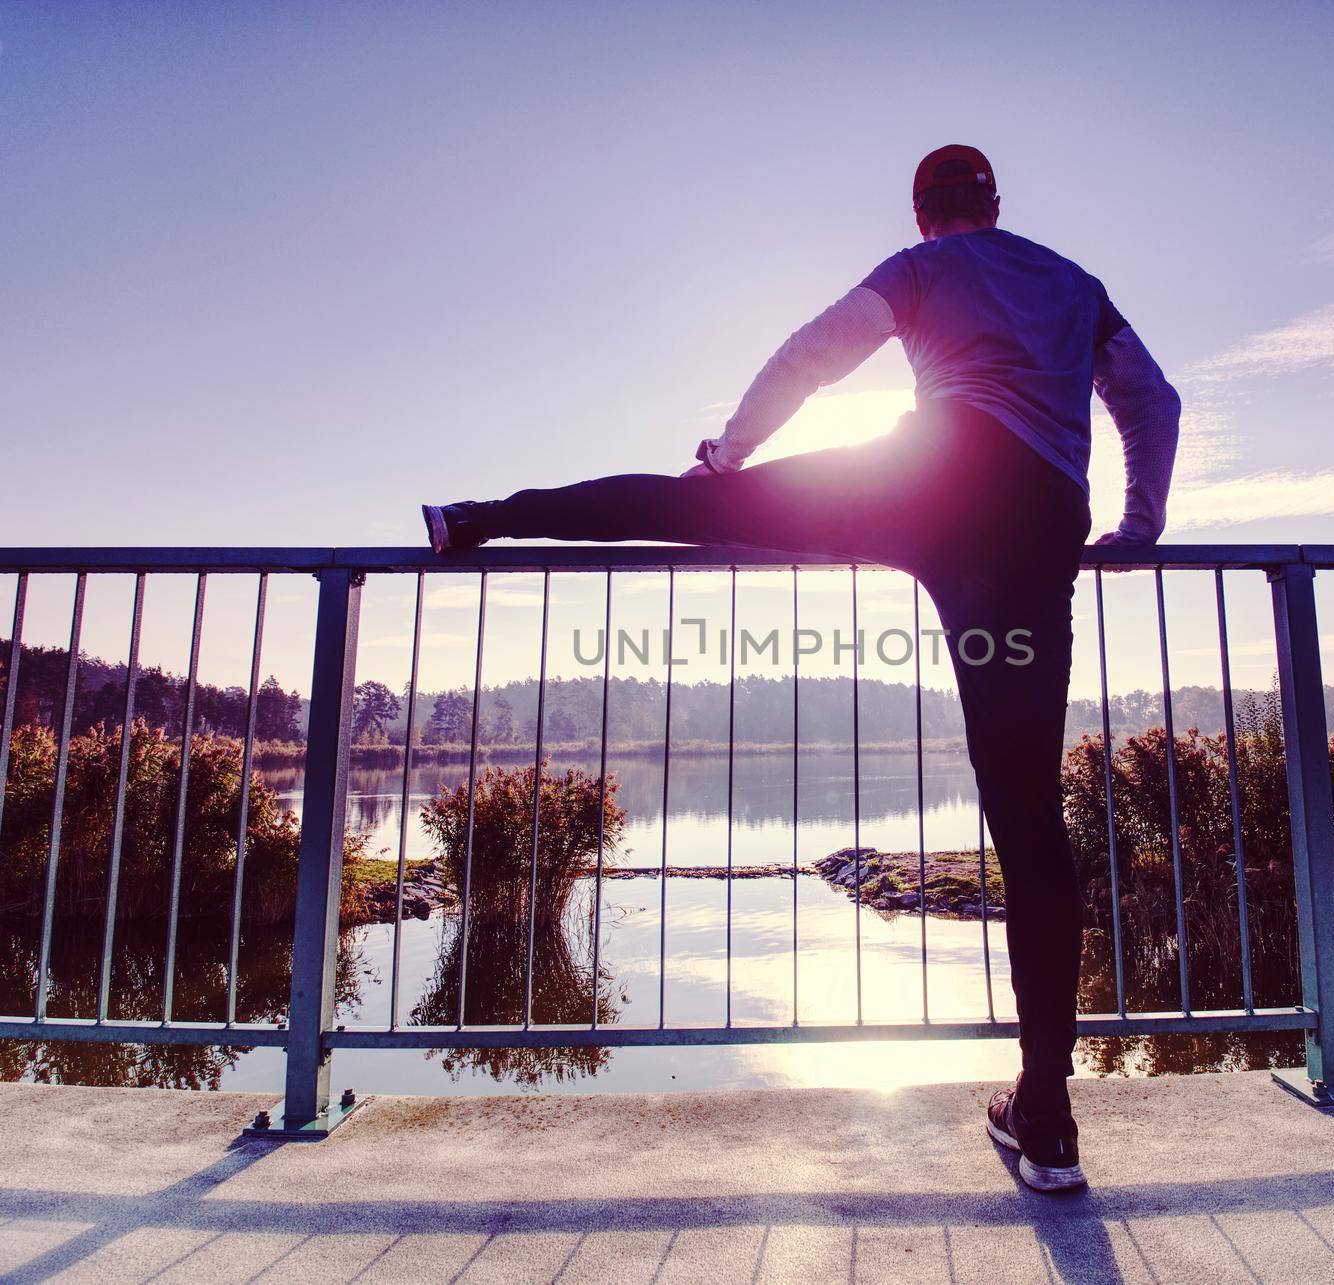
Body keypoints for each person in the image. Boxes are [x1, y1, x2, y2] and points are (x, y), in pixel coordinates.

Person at [422, 144, 1180, 1193]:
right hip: (1035, 532)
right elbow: (1150, 396)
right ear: (995, 205)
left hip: (927, 486)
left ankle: (482, 519)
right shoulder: (1068, 280)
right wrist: (1140, 522)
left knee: (694, 511)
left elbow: (814, 354)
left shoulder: (920, 272)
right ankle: (1046, 1118)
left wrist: (731, 455)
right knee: (1026, 816)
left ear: (923, 216)